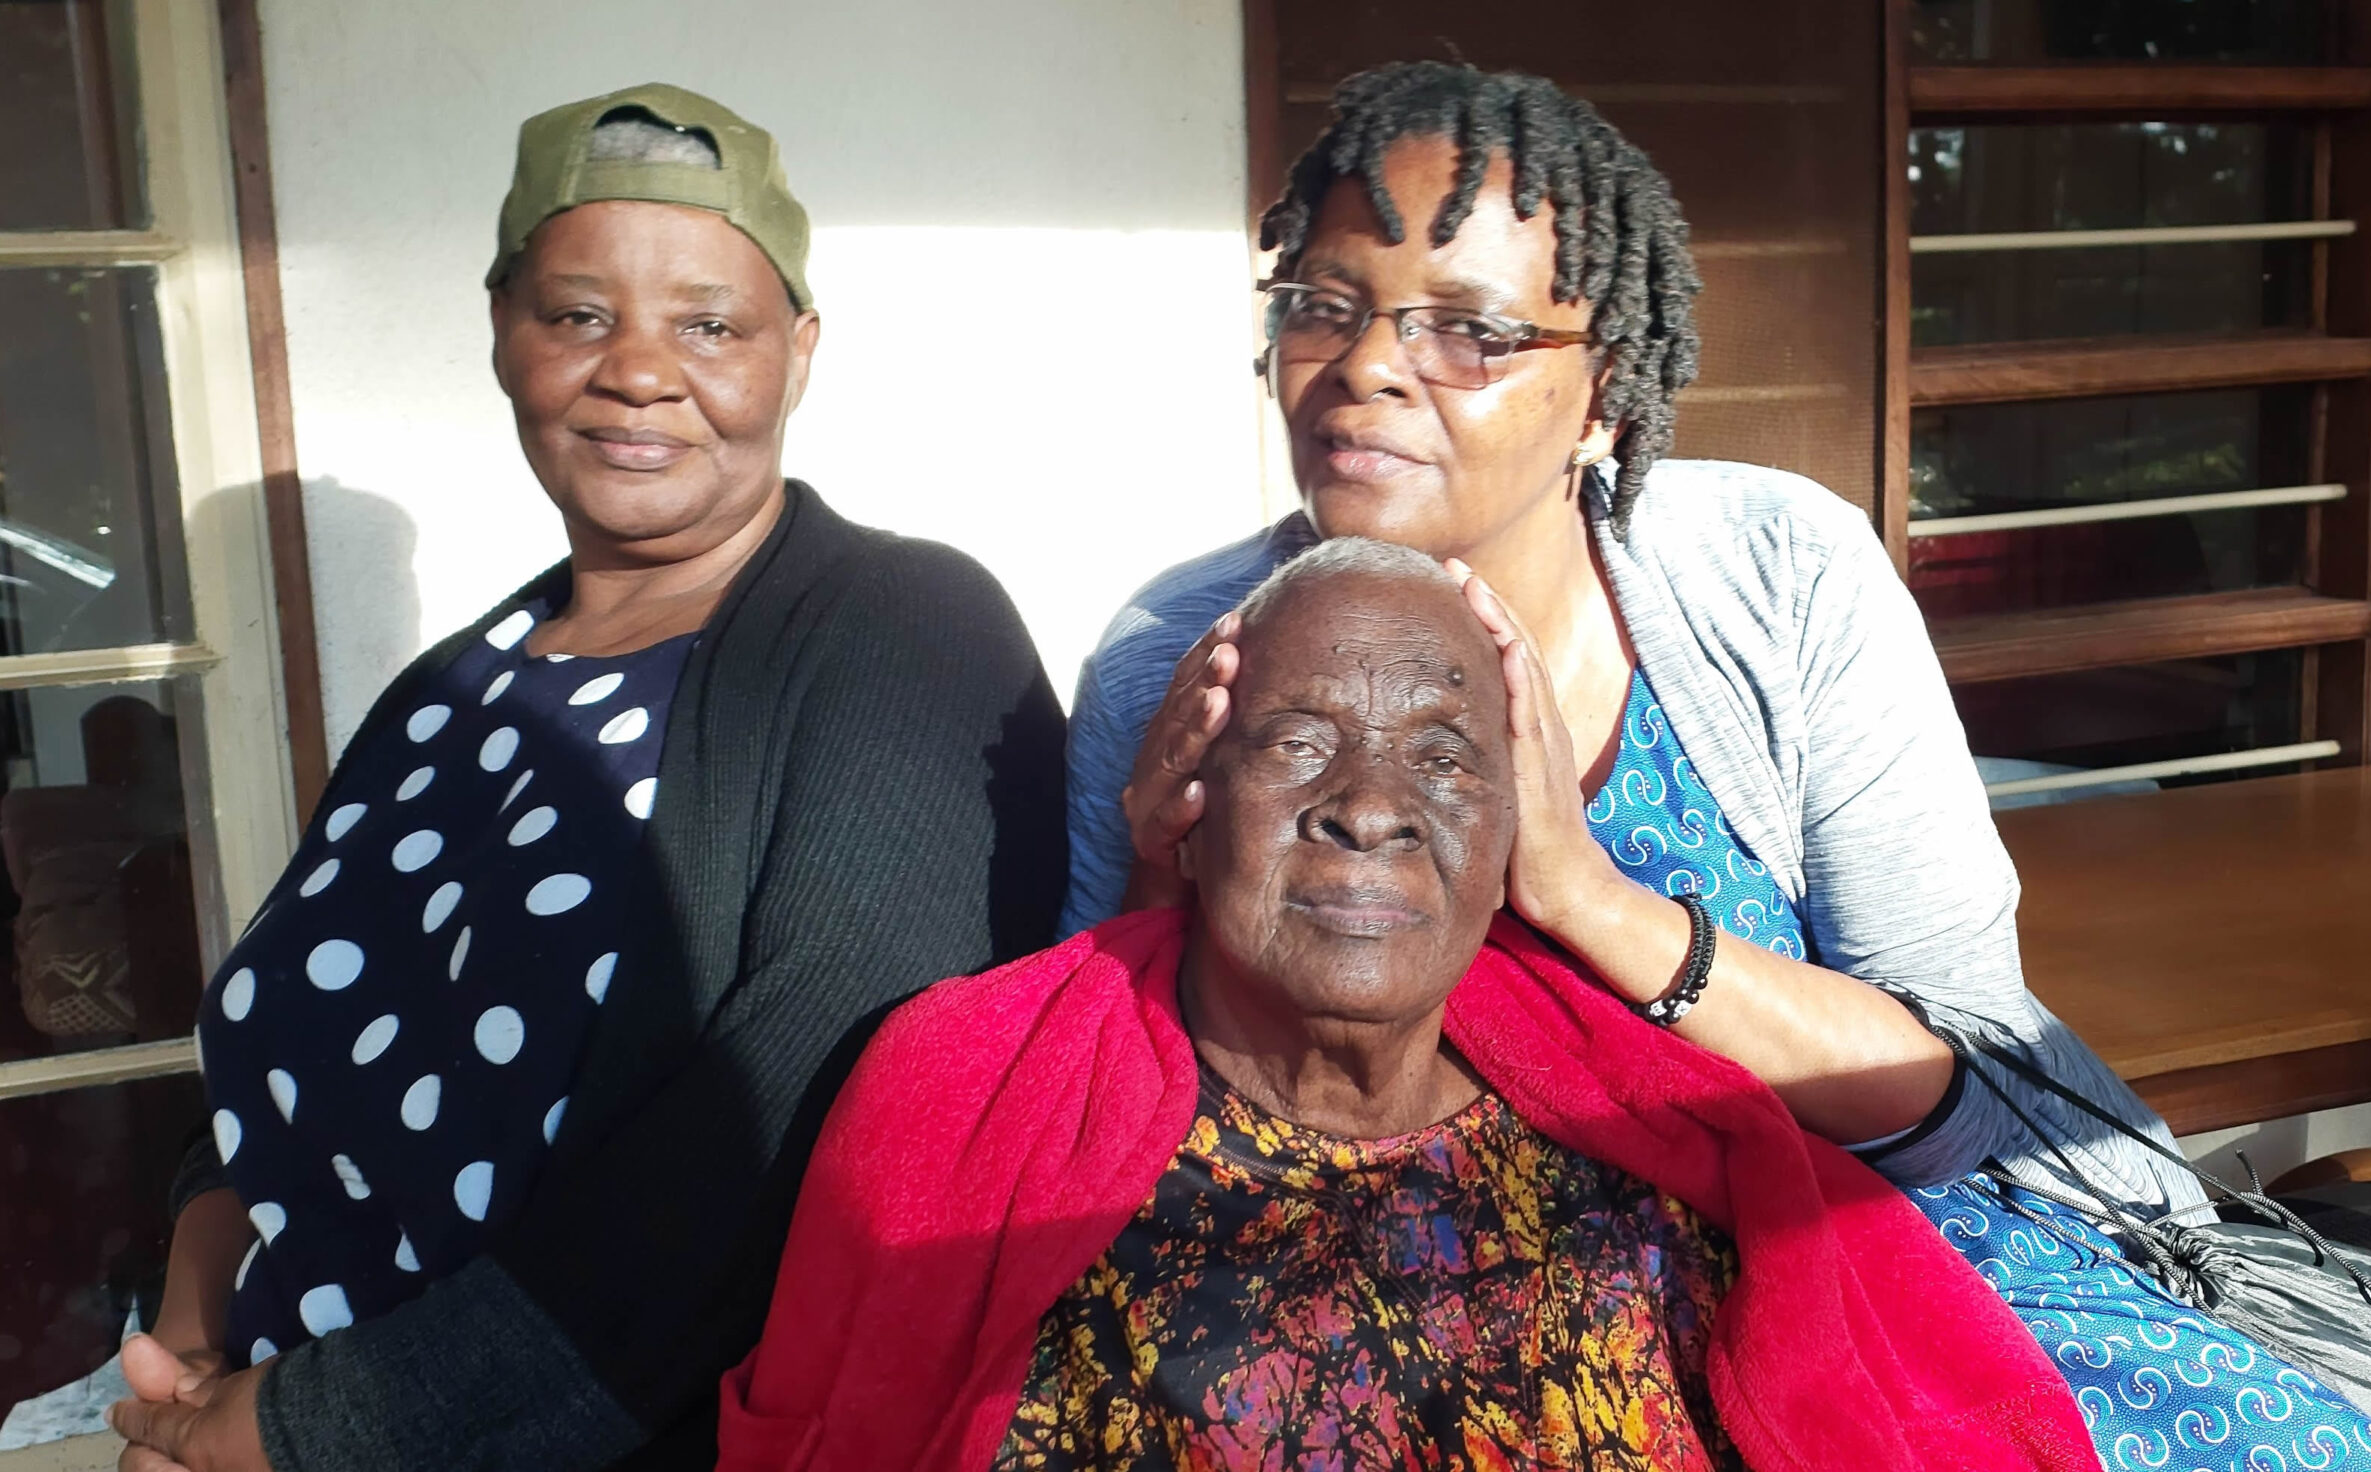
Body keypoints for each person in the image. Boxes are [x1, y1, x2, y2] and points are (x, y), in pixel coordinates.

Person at [1065, 62, 2371, 1471]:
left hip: (1878, 1260)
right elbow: (1093, 1131)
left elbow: (1966, 1074)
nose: (1364, 366)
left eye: (1469, 331)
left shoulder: (1782, 575)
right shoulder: (1176, 659)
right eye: (1325, 307)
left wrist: (1592, 901)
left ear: (1603, 399)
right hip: (1437, 1314)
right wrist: (1167, 888)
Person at [107, 83, 1066, 1472]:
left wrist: (314, 1429)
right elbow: (292, 1050)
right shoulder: (447, 689)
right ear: (503, 332)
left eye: (710, 326)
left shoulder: (902, 630)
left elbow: (811, 1111)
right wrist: (194, 1347)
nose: (637, 370)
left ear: (798, 353)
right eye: (578, 315)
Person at [719, 540, 2100, 1472]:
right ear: (1192, 808)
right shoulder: (965, 1091)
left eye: (1443, 758)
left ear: (1519, 830)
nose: (1371, 805)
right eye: (1300, 740)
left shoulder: (1664, 1134)